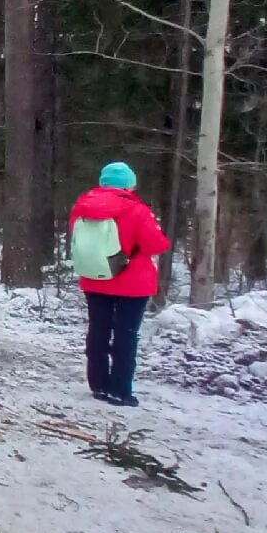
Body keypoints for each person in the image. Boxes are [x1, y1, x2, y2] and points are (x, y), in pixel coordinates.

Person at [68, 161, 171, 407]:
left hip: (94, 277)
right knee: (126, 335)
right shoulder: (137, 209)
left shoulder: (81, 207)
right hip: (132, 283)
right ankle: (120, 389)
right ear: (129, 185)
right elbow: (156, 244)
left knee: (98, 331)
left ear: (103, 182)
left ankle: (99, 385)